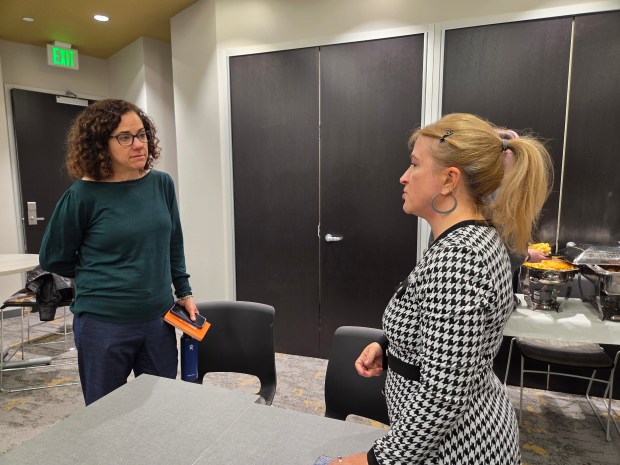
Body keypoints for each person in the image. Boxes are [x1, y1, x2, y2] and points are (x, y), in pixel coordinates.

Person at [333, 113, 552, 464]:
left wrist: (374, 461)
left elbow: (442, 396)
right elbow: (447, 341)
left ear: (450, 180)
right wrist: (391, 347)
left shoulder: (460, 258)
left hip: (457, 448)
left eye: (415, 164)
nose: (403, 176)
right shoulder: (469, 241)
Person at [39, 99, 199, 406]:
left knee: (162, 407)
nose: (139, 144)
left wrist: (185, 292)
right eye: (125, 137)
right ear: (100, 144)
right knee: (104, 414)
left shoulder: (161, 184)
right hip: (103, 324)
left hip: (159, 320)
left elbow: (173, 244)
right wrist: (101, 271)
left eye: (142, 134)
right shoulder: (82, 196)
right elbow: (53, 258)